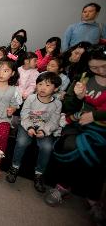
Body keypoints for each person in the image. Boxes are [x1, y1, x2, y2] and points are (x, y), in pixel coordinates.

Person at [44, 45, 106, 224]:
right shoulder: (83, 78)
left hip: (101, 129)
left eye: (103, 66)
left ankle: (94, 197)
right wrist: (77, 98)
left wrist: (94, 115)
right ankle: (62, 186)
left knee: (99, 153)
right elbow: (68, 106)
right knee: (70, 146)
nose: (100, 71)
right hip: (77, 123)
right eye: (95, 67)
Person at [6, 72, 62, 193]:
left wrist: (44, 130)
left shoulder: (57, 104)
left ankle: (39, 174)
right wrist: (29, 127)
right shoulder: (31, 98)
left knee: (47, 147)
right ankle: (14, 167)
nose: (42, 87)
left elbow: (54, 122)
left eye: (47, 85)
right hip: (27, 126)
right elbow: (24, 114)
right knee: (21, 142)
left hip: (44, 129)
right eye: (40, 84)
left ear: (55, 88)